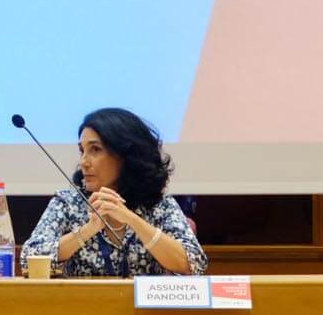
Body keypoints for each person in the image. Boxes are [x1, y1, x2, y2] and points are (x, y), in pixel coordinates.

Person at [21, 108, 207, 277]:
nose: (84, 162)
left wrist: (131, 219)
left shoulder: (159, 204)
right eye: (82, 151)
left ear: (125, 155)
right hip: (81, 303)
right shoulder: (68, 203)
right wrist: (86, 231)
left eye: (95, 149)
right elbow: (28, 260)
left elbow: (193, 263)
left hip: (144, 305)